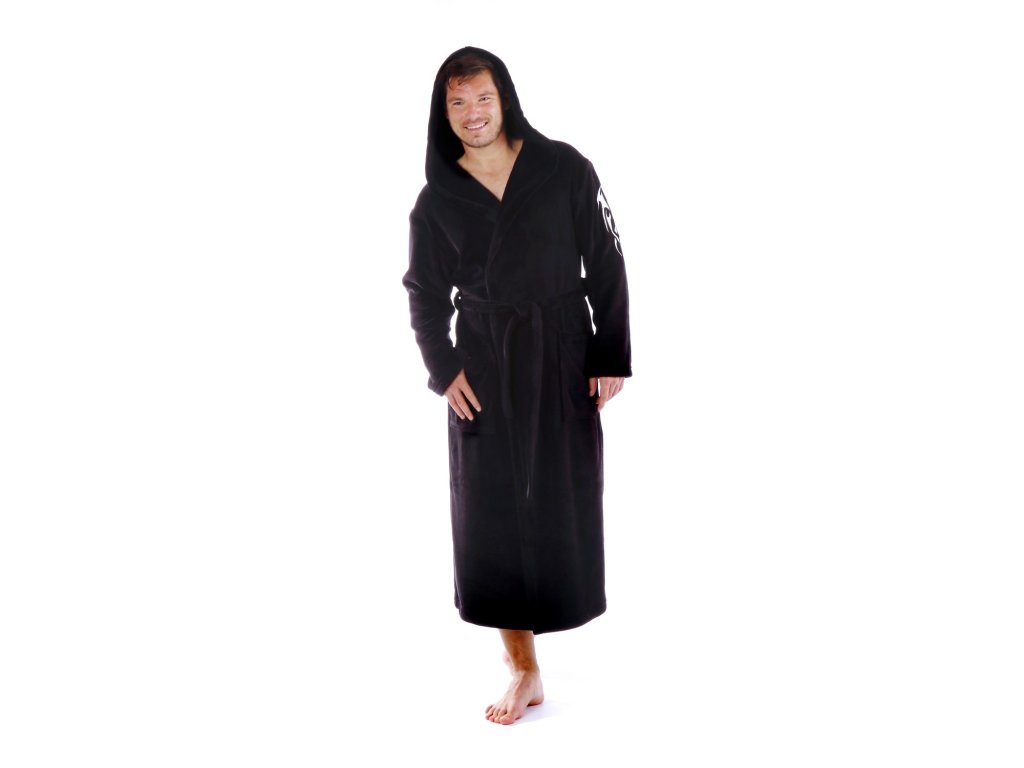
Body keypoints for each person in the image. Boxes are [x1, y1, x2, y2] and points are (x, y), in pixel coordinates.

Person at [402, 46, 632, 725]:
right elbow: (422, 292)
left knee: (564, 490)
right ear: (443, 113)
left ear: (504, 97)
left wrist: (610, 352)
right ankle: (521, 665)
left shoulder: (564, 167)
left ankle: (557, 621)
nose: (472, 113)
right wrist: (443, 368)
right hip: (484, 358)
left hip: (562, 346)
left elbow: (607, 259)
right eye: (457, 102)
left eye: (482, 97)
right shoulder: (439, 198)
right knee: (490, 507)